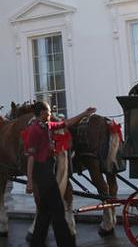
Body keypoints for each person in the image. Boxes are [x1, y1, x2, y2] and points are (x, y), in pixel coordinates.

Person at [25, 102, 97, 247]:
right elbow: (31, 157)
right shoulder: (34, 130)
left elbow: (65, 123)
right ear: (42, 113)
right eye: (49, 111)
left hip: (48, 170)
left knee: (44, 212)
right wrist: (30, 181)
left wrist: (84, 113)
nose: (51, 114)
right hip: (42, 171)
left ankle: (36, 242)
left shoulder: (47, 126)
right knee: (58, 210)